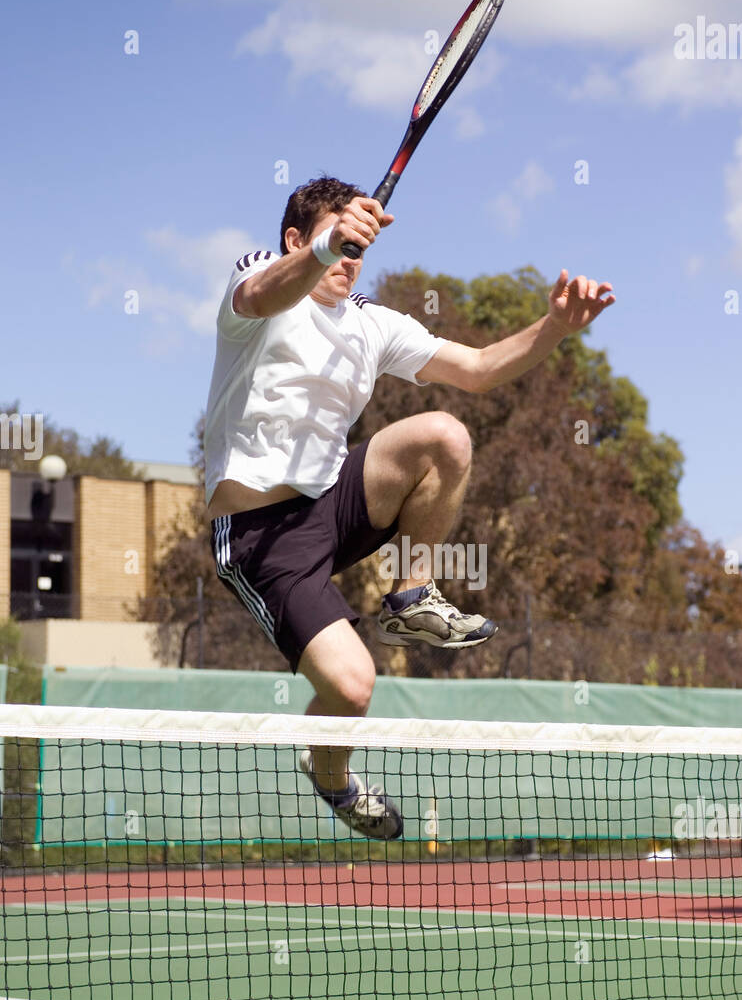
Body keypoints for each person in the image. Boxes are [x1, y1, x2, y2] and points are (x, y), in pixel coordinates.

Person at [205, 175, 615, 839]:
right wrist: (321, 249)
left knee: (445, 436)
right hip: (261, 535)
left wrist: (556, 327)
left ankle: (413, 595)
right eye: (337, 243)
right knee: (353, 687)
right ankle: (333, 777)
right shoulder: (260, 275)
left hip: (333, 503)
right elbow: (258, 295)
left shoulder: (370, 322)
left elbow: (480, 366)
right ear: (293, 238)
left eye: (356, 248)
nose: (348, 259)